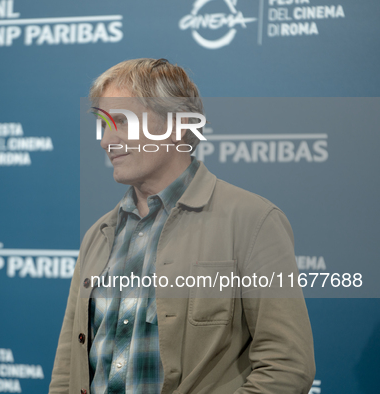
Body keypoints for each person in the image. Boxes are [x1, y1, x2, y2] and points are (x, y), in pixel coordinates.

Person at [49, 58, 315, 394]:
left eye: (121, 121)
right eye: (103, 124)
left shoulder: (253, 221)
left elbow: (287, 365)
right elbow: (66, 371)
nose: (105, 141)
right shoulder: (98, 235)